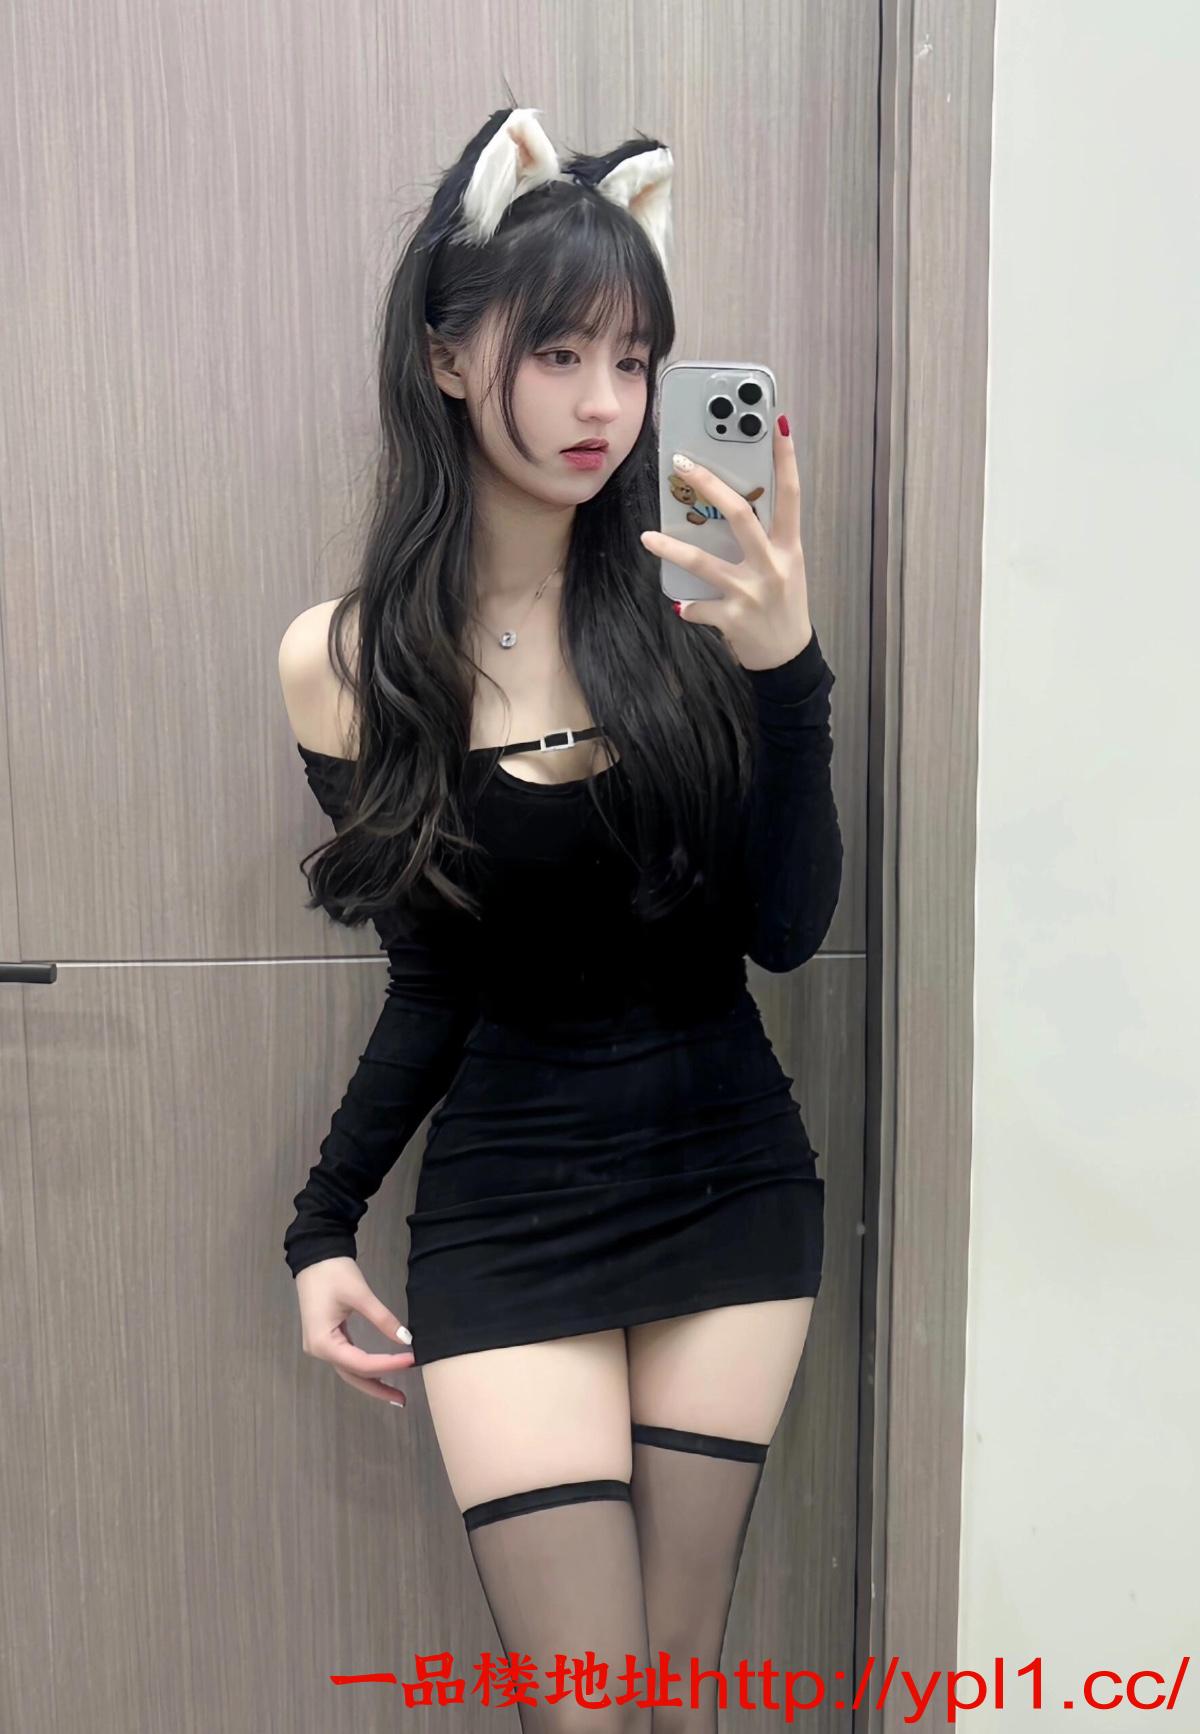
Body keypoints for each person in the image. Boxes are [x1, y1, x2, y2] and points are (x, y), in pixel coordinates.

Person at [278, 103, 843, 1733]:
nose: (606, 405)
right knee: (580, 1708)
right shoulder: (348, 660)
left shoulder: (701, 612)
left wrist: (788, 672)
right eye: (560, 353)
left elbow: (786, 931)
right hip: (509, 1206)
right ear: (452, 358)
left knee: (676, 1689)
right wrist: (321, 1227)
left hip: (730, 1177)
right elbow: (432, 978)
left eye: (635, 360)